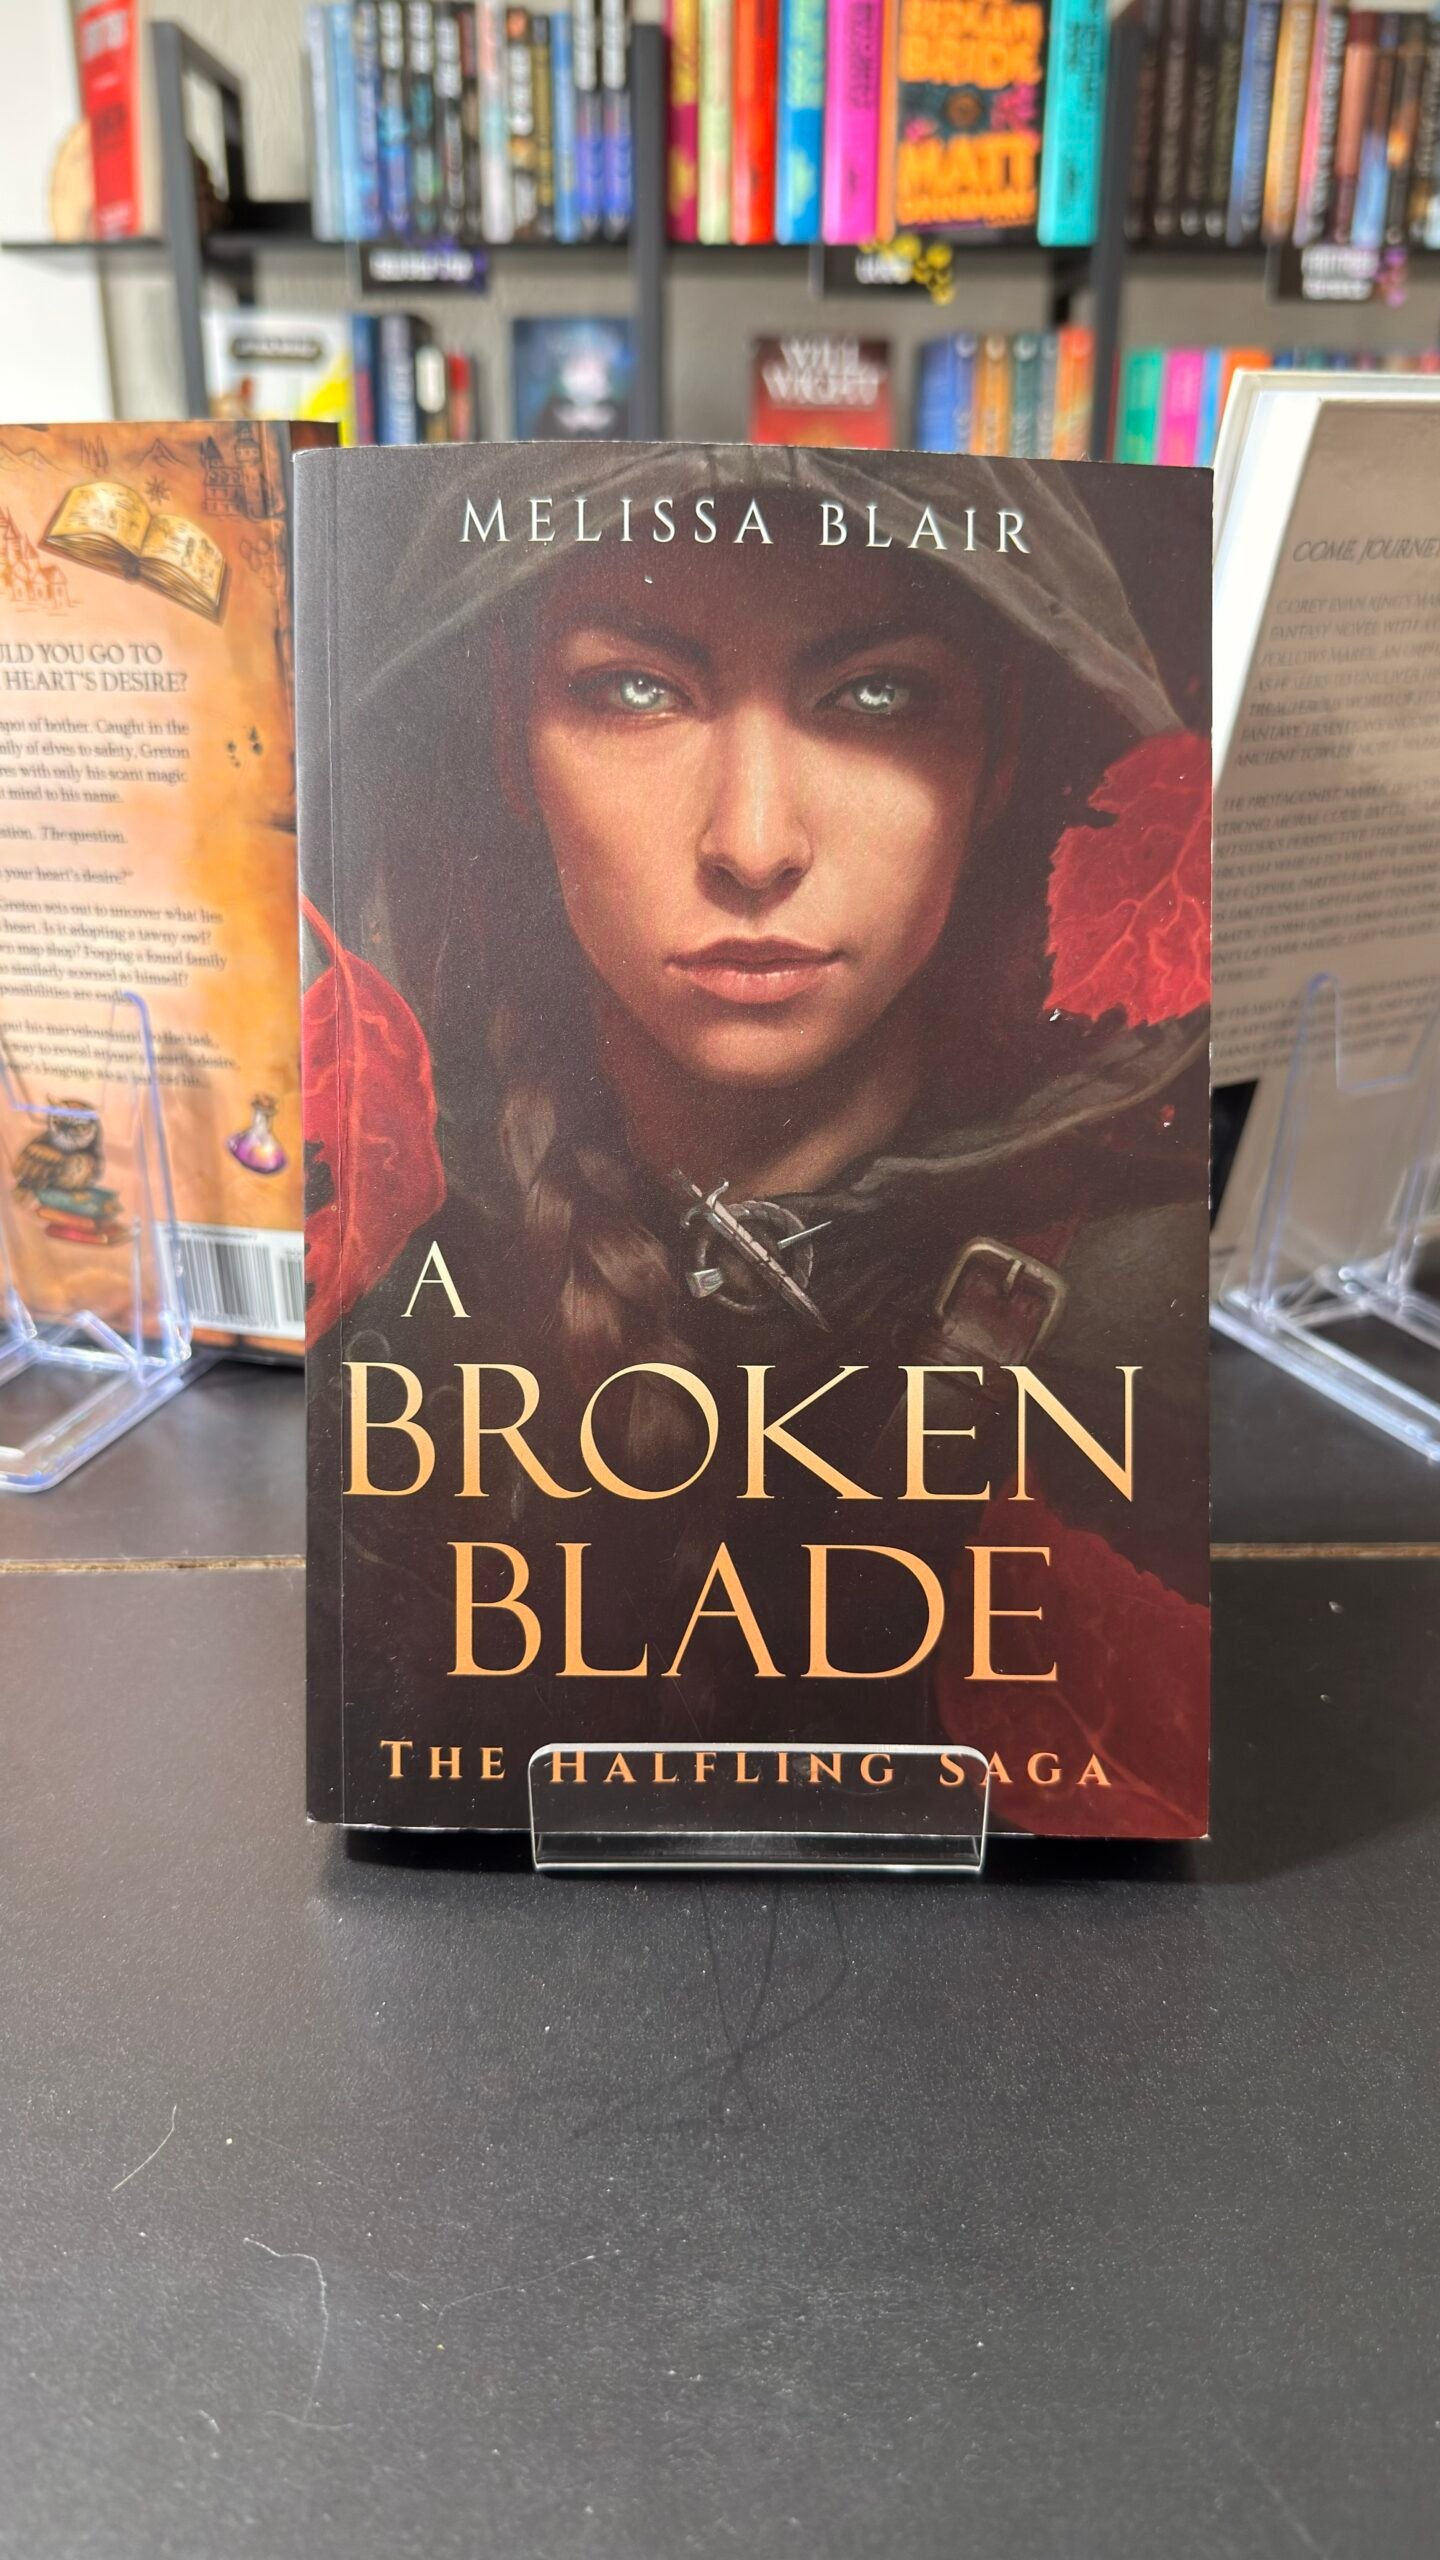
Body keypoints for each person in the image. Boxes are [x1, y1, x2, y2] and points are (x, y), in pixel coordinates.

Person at [308, 447, 1211, 1833]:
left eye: (878, 694)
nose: (751, 842)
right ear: (504, 739)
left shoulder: (1156, 1319)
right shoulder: (369, 1305)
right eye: (634, 690)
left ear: (1003, 752)